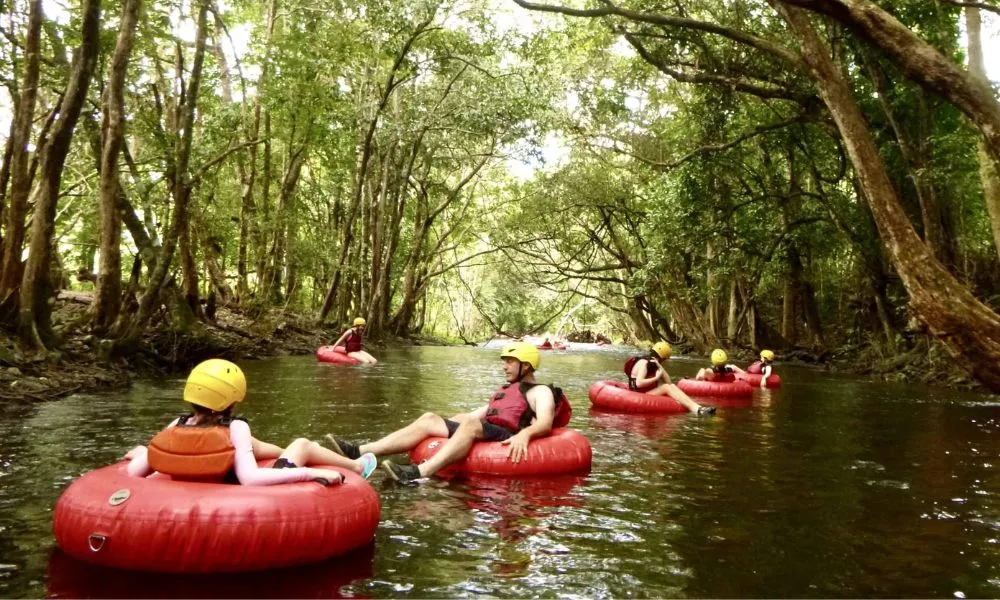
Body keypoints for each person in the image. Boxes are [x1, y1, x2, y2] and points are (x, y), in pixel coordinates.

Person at [326, 342, 572, 483]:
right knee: (430, 419)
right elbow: (478, 413)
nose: (504, 366)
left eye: (509, 361)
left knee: (471, 426)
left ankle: (420, 472)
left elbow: (545, 423)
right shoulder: (509, 390)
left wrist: (524, 435)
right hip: (489, 428)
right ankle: (361, 451)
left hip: (506, 436)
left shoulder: (541, 392)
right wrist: (446, 423)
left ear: (525, 365)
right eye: (504, 360)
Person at [125, 359, 378, 485]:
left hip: (208, 471)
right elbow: (249, 478)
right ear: (233, 398)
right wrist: (312, 473)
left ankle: (298, 452)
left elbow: (135, 473)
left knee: (253, 446)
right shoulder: (235, 427)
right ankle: (355, 467)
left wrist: (147, 454)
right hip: (232, 485)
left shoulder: (176, 425)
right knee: (302, 444)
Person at [623, 342, 715, 415]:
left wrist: (659, 366)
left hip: (642, 392)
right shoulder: (644, 363)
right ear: (661, 358)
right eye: (664, 360)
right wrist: (656, 378)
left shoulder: (652, 363)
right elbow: (639, 383)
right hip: (638, 394)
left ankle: (697, 407)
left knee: (670, 386)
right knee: (666, 387)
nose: (664, 361)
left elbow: (669, 382)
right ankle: (697, 409)